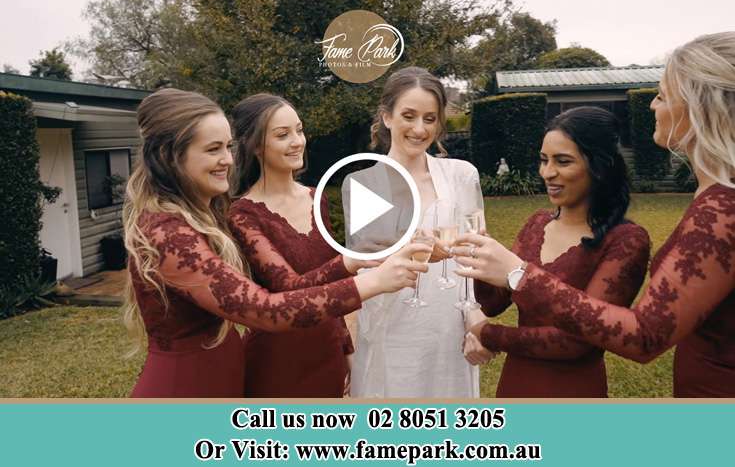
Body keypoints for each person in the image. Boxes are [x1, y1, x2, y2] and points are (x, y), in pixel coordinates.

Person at [457, 32, 735, 397]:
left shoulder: (723, 209)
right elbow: (493, 302)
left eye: (662, 95)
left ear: (699, 107)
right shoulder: (713, 197)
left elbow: (645, 334)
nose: (652, 105)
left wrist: (516, 275)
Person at [121, 88, 430, 398]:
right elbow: (265, 308)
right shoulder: (167, 233)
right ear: (168, 156)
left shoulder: (198, 218)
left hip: (224, 384)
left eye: (228, 147)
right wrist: (375, 280)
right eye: (213, 149)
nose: (227, 160)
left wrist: (344, 343)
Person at [460, 107, 650, 397]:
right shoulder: (537, 224)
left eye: (563, 161)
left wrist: (487, 334)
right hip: (515, 384)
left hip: (571, 390)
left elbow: (577, 342)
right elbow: (494, 303)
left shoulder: (626, 241)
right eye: (543, 160)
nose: (547, 172)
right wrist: (481, 261)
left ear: (599, 165)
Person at [347, 66, 482, 398]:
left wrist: (476, 321)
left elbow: (475, 257)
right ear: (387, 116)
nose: (420, 129)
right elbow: (363, 271)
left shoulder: (462, 175)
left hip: (447, 330)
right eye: (409, 115)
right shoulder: (364, 185)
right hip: (389, 332)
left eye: (430, 118)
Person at [228, 93, 372, 397]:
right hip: (276, 361)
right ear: (255, 145)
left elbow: (333, 291)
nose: (297, 141)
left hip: (326, 353)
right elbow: (288, 288)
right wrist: (347, 262)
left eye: (299, 129)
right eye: (283, 135)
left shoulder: (315, 197)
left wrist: (345, 348)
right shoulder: (243, 214)